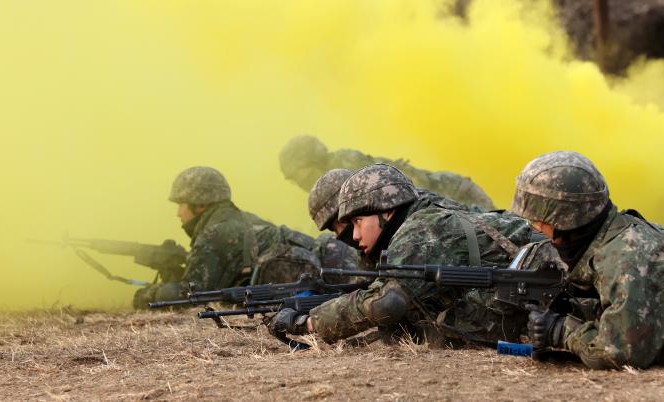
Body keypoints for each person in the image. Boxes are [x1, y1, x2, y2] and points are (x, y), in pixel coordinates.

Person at [268, 164, 537, 345]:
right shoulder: (415, 220)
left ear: (387, 211)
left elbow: (386, 303)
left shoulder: (420, 228)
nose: (354, 235)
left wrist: (308, 323)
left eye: (358, 222)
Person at [510, 151, 664, 369]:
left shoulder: (624, 256)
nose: (535, 226)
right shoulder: (615, 235)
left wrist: (561, 330)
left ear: (564, 218)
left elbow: (619, 352)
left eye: (538, 220)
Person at [132, 167, 257, 309]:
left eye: (180, 204)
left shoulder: (213, 235)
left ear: (200, 205)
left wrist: (146, 295)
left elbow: (189, 298)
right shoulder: (243, 220)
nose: (178, 213)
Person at [279, 135, 495, 210]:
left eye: (299, 174)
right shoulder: (338, 185)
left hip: (459, 197)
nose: (300, 183)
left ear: (313, 163)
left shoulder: (347, 171)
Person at [307, 169, 367, 281]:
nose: (340, 232)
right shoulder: (366, 254)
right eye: (332, 228)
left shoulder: (404, 230)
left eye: (341, 219)